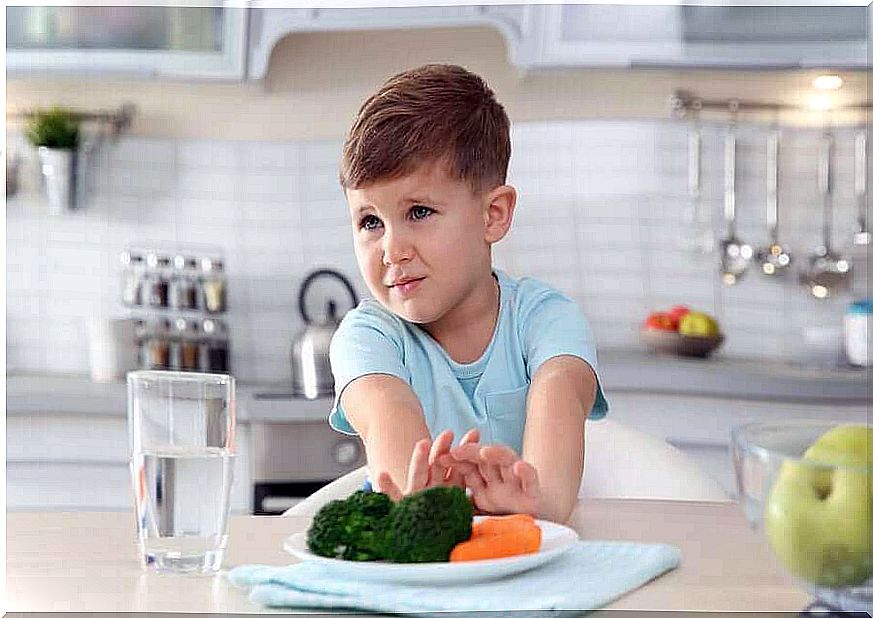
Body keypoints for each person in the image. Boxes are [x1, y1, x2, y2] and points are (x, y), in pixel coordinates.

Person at [328, 64, 608, 524]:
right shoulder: (366, 337)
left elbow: (550, 502)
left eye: (418, 211)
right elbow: (390, 429)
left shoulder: (546, 320)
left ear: (493, 215)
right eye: (370, 221)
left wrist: (532, 507)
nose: (391, 251)